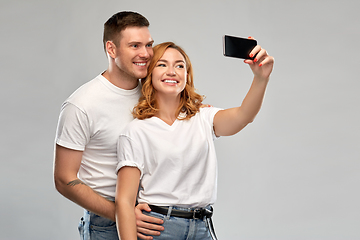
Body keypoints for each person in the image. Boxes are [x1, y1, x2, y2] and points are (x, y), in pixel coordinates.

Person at [115, 41, 274, 239]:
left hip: (202, 227)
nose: (172, 71)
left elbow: (244, 116)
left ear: (187, 76)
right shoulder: (135, 131)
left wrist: (261, 78)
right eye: (162, 64)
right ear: (149, 74)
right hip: (159, 228)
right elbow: (124, 200)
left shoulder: (204, 117)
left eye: (179, 65)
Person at [53, 11, 164, 240]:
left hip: (154, 213)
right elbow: (64, 179)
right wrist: (121, 214)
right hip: (107, 222)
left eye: (149, 45)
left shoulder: (154, 92)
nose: (145, 54)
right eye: (135, 45)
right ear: (111, 49)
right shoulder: (82, 104)